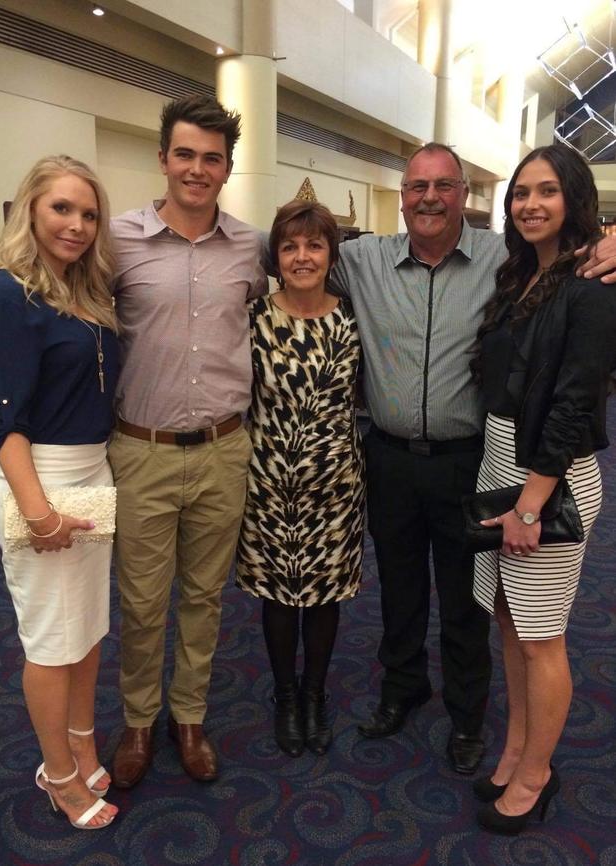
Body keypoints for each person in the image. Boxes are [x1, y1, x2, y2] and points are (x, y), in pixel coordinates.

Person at [330, 142, 616, 775]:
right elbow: (288, 250)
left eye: (444, 186)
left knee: (468, 600)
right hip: (391, 459)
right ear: (401, 195)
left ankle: (467, 717)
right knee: (400, 588)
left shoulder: (506, 259)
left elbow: (582, 286)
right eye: (415, 187)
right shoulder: (361, 258)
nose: (428, 198)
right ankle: (401, 688)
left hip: (474, 460)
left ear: (466, 195)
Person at [109, 94, 268, 788]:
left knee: (204, 596)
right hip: (139, 450)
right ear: (163, 157)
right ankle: (139, 722)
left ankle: (189, 717)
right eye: (185, 154)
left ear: (227, 167)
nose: (197, 169)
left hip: (225, 449)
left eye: (211, 158)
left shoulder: (250, 246)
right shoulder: (116, 240)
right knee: (142, 601)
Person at [469, 145, 616, 834]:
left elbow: (573, 404)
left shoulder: (590, 290)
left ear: (574, 200)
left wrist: (531, 503)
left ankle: (537, 774)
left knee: (541, 639)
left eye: (547, 191)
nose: (530, 203)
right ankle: (517, 746)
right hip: (501, 467)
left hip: (546, 480)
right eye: (521, 192)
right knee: (507, 621)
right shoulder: (520, 278)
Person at [0, 155, 120, 829]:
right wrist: (36, 512)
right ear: (30, 208)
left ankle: (81, 743)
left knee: (86, 629)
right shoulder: (9, 293)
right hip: (37, 474)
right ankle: (58, 775)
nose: (77, 225)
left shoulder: (84, 290)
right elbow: (3, 419)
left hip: (91, 470)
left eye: (89, 213)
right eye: (62, 208)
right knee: (49, 640)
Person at [235, 200, 364, 757]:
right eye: (290, 246)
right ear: (276, 256)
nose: (302, 256)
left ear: (331, 253)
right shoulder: (253, 317)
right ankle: (285, 697)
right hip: (268, 481)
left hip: (336, 482)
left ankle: (315, 695)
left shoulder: (353, 317)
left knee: (325, 595)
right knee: (279, 596)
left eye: (314, 245)